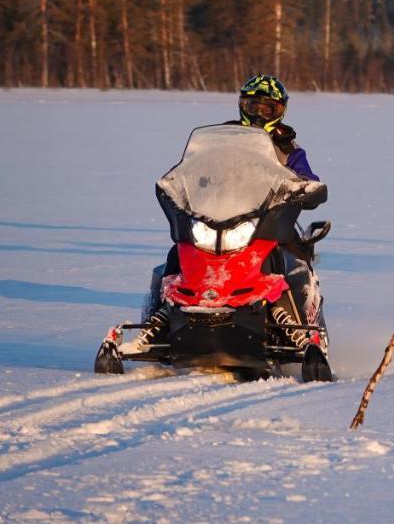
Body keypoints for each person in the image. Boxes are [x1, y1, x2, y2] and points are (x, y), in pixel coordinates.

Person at [131, 75, 328, 359]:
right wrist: (176, 184)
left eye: (267, 109)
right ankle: (154, 326)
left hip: (269, 219)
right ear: (241, 106)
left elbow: (308, 178)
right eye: (252, 106)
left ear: (280, 111)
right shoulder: (223, 139)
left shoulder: (289, 147)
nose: (258, 114)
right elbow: (191, 168)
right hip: (217, 215)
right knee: (179, 254)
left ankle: (305, 332)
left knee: (292, 261)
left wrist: (305, 189)